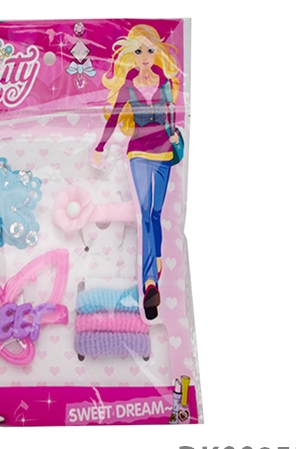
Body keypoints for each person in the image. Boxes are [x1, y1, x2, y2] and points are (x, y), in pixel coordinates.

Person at [93, 24, 184, 320]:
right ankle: (149, 284)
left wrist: (174, 135)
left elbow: (172, 115)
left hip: (164, 152)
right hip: (138, 153)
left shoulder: (166, 82)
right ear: (131, 56)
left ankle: (156, 257)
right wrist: (100, 146)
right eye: (139, 51)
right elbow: (113, 119)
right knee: (143, 213)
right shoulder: (128, 86)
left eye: (149, 50)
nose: (145, 56)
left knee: (156, 213)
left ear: (157, 52)